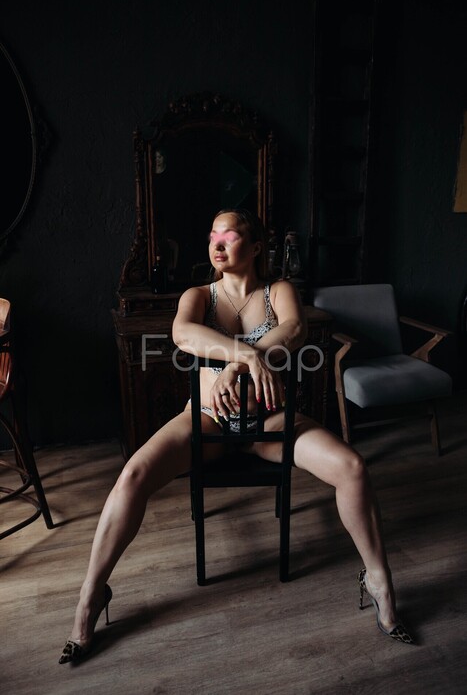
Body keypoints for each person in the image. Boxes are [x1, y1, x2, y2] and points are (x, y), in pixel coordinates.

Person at [59, 209, 413, 664]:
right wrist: (246, 357)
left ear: (256, 246)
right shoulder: (198, 296)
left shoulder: (278, 291)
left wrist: (233, 366)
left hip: (270, 423)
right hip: (206, 419)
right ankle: (91, 595)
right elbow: (182, 334)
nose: (217, 244)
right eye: (212, 236)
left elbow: (295, 328)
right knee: (132, 476)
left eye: (229, 236)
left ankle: (378, 580)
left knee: (353, 468)